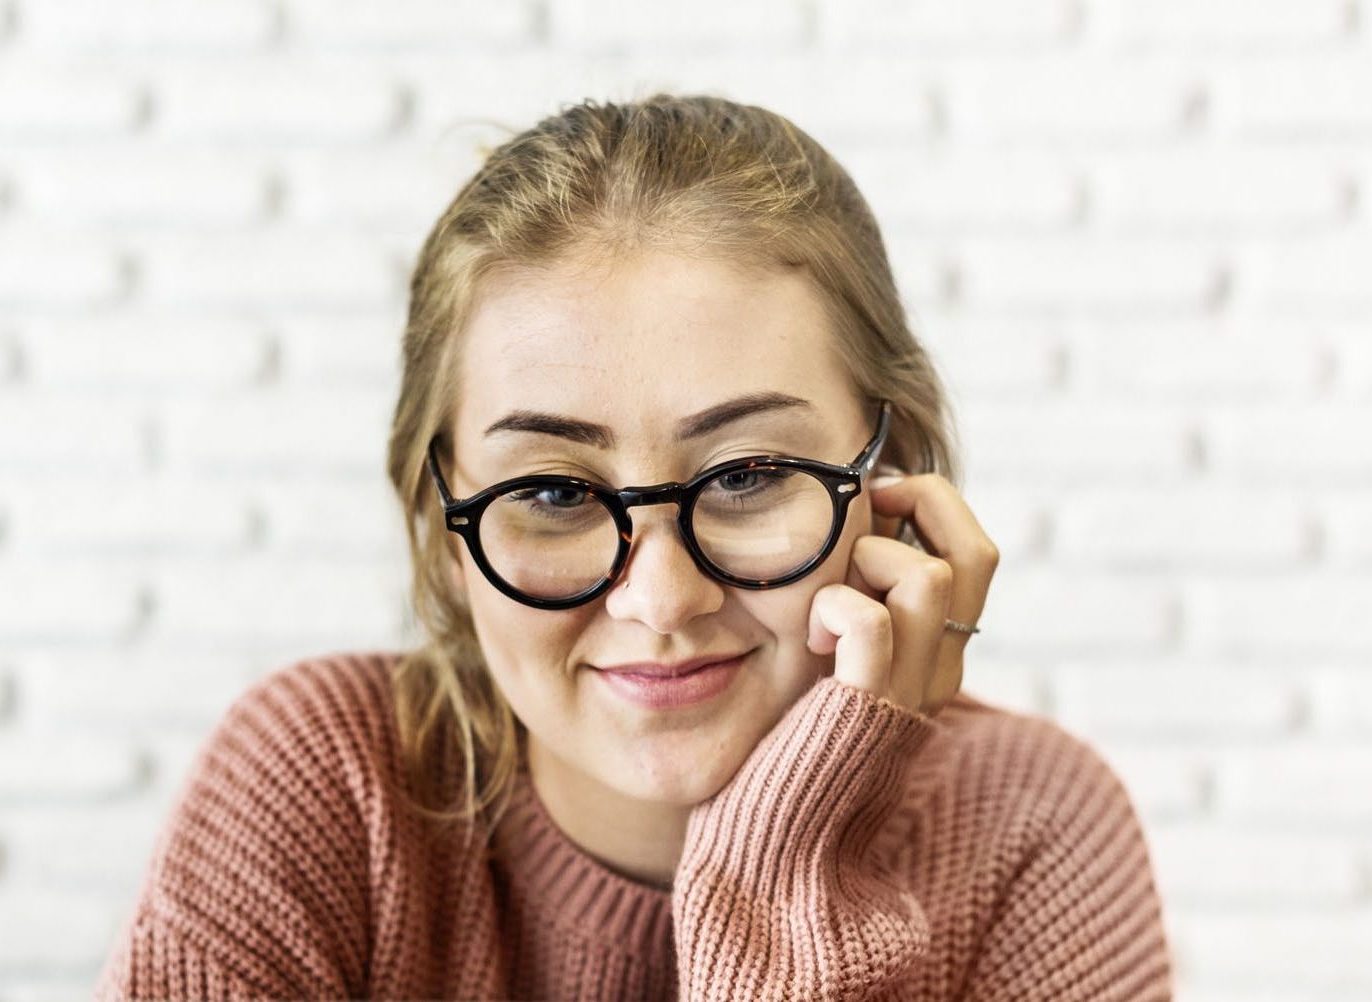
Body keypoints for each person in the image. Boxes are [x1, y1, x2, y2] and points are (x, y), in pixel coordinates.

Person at [94, 93, 1175, 1001]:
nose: (661, 596)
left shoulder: (1034, 824)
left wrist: (793, 861)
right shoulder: (326, 781)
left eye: (749, 477)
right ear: (443, 518)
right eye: (555, 491)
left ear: (895, 485)